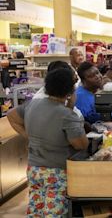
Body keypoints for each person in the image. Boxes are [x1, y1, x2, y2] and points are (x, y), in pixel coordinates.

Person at [7, 68, 89, 217]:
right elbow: (81, 145)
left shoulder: (33, 104)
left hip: (34, 169)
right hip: (56, 172)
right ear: (70, 90)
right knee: (54, 213)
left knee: (35, 210)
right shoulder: (66, 115)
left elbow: (11, 115)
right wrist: (70, 108)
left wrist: (29, 136)